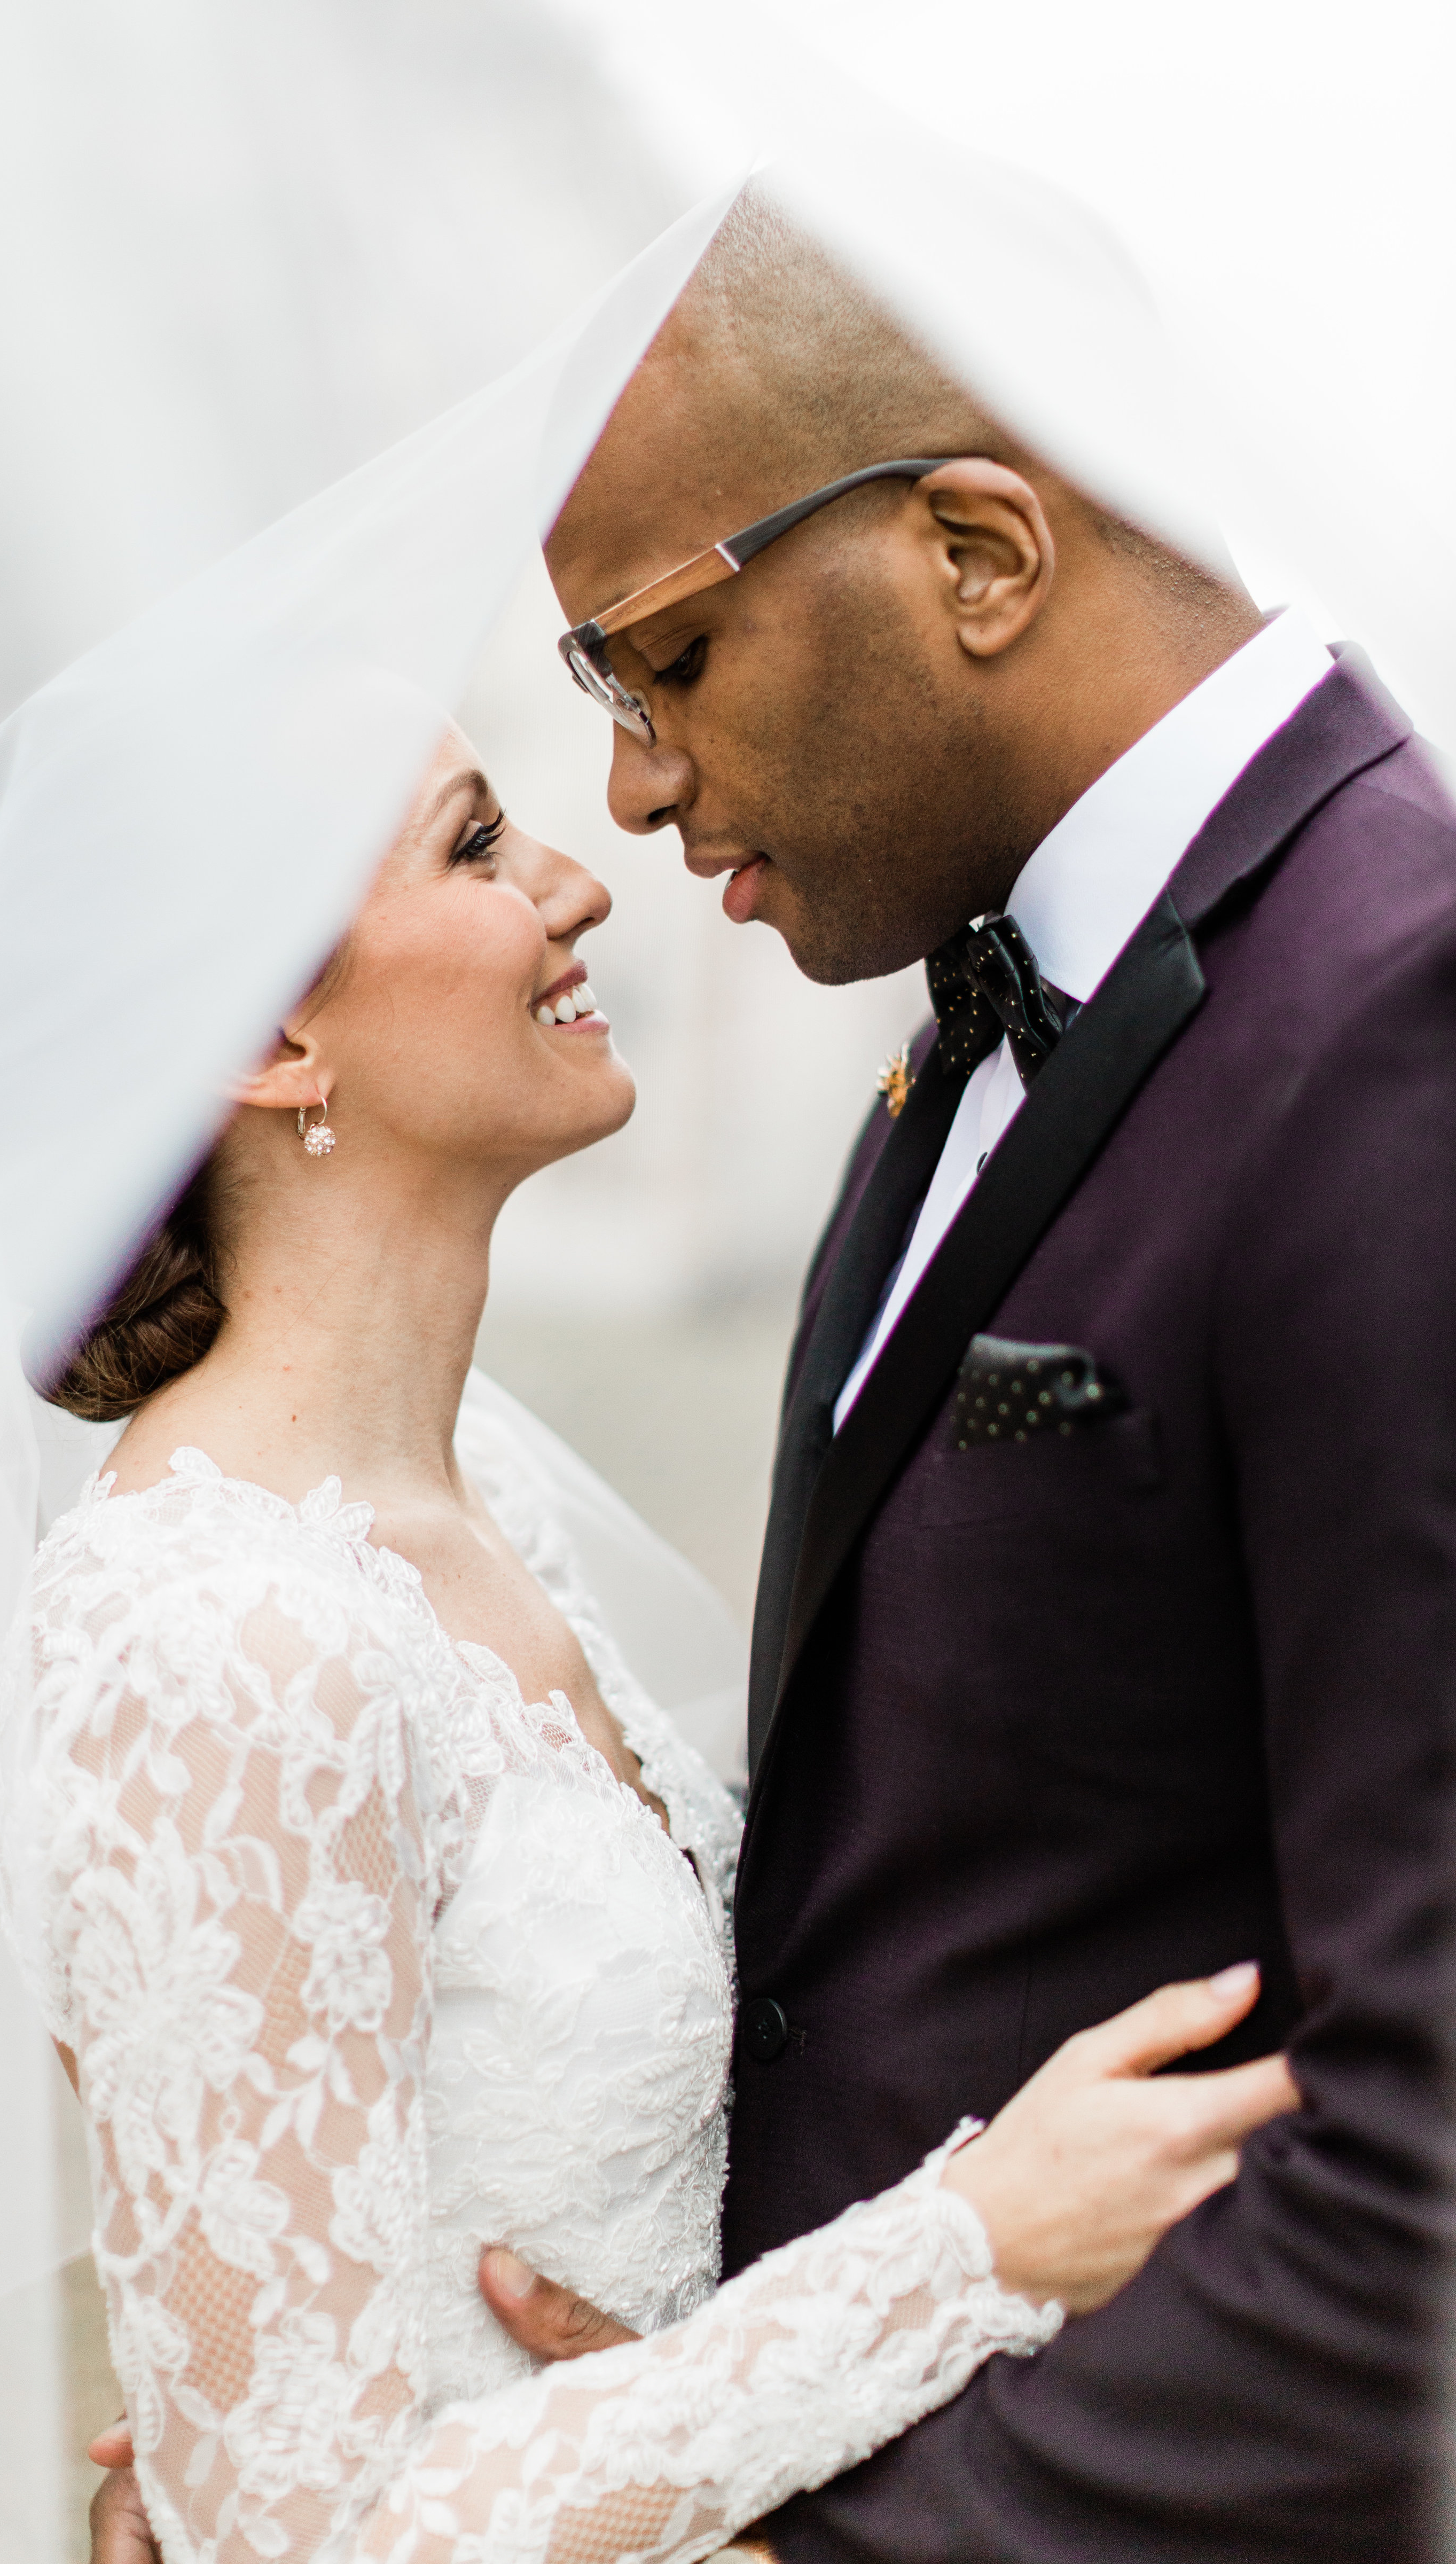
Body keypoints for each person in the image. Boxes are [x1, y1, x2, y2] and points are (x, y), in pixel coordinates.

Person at [23, 722, 1299, 2564]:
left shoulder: (487, 1510)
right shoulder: (210, 1638)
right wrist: (970, 2250)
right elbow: (287, 2539)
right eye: (475, 849)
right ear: (271, 1043)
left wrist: (681, 2434)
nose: (579, 879)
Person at [468, 190, 1455, 2556]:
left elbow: (1422, 2171)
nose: (622, 786)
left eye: (661, 658)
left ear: (977, 552)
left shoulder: (1397, 1022)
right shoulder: (967, 1027)